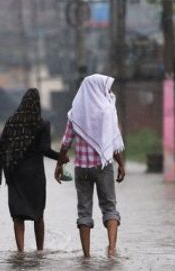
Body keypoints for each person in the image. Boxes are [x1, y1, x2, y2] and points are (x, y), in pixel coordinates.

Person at [54, 74, 126, 258]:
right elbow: (112, 142)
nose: (108, 91)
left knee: (84, 210)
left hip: (82, 169)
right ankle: (111, 250)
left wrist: (59, 165)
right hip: (104, 166)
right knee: (110, 208)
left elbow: (66, 142)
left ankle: (86, 256)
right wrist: (121, 164)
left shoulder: (76, 112)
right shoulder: (107, 111)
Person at [0, 88, 67, 252]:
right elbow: (44, 149)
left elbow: (3, 148)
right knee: (38, 215)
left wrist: (4, 171)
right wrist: (61, 157)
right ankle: (40, 251)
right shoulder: (42, 124)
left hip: (15, 175)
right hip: (34, 177)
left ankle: (21, 251)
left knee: (18, 216)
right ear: (37, 104)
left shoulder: (11, 122)